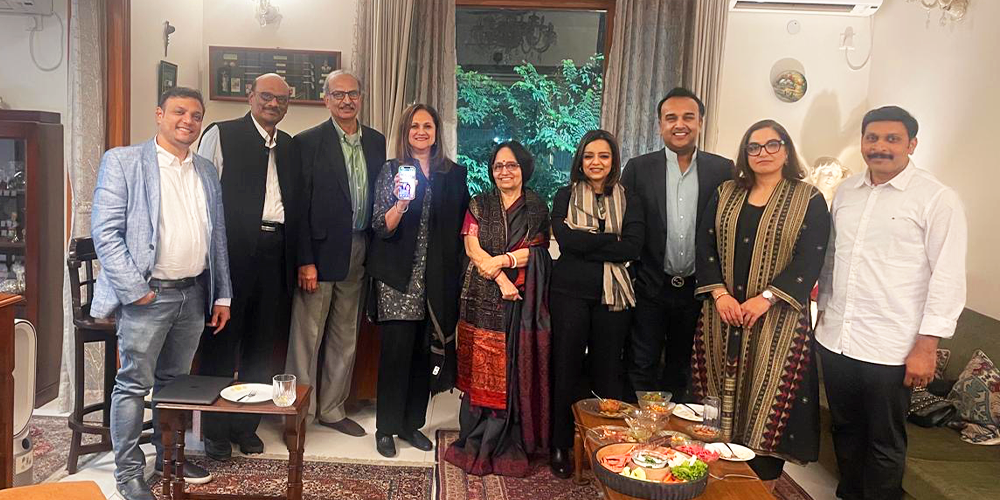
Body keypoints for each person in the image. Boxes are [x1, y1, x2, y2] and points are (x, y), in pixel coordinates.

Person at [816, 106, 967, 500]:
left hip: (892, 347)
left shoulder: (937, 199)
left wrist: (927, 344)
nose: (880, 147)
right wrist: (822, 314)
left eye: (892, 139)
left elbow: (948, 276)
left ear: (912, 144)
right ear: (863, 142)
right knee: (845, 430)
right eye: (872, 138)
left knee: (884, 441)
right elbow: (834, 260)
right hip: (837, 339)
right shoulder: (847, 192)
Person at [91, 87, 232, 500]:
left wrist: (221, 294)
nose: (188, 120)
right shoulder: (124, 161)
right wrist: (135, 292)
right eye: (179, 112)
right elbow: (106, 233)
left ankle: (169, 457)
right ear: (159, 114)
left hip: (193, 292)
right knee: (134, 384)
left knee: (176, 383)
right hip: (147, 296)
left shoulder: (205, 170)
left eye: (196, 115)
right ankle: (129, 473)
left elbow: (216, 236)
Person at [691, 119, 830, 486]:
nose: (763, 153)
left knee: (767, 398)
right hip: (721, 314)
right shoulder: (726, 192)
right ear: (744, 153)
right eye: (754, 147)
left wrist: (766, 299)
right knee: (714, 396)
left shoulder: (809, 199)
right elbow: (703, 246)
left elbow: (811, 257)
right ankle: (710, 476)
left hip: (777, 320)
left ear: (786, 149)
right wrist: (719, 294)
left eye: (772, 144)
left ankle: (759, 486)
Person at [195, 73, 299, 460]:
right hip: (231, 252)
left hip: (276, 253)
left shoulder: (289, 146)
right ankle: (215, 430)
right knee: (222, 341)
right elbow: (201, 195)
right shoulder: (221, 133)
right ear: (250, 95)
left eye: (282, 100)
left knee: (262, 343)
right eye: (267, 97)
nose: (274, 105)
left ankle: (246, 425)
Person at [285, 70, 386, 436]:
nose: (346, 101)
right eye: (338, 94)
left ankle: (331, 409)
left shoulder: (376, 141)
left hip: (360, 249)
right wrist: (304, 259)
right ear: (326, 99)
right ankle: (299, 413)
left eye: (353, 94)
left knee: (346, 335)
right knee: (306, 338)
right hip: (319, 253)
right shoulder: (307, 142)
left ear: (361, 98)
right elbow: (299, 207)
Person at [366, 104, 469, 457]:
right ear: (405, 132)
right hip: (398, 278)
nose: (421, 132)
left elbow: (461, 227)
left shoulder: (454, 174)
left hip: (437, 279)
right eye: (414, 126)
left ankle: (412, 425)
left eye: (427, 126)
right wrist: (400, 203)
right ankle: (385, 428)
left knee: (425, 355)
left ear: (437, 132)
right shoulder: (391, 170)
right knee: (395, 354)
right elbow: (381, 226)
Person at [444, 141, 552, 477]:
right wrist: (502, 279)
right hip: (482, 298)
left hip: (520, 303)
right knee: (482, 368)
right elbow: (471, 247)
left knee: (512, 367)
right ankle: (478, 434)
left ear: (524, 168)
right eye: (498, 166)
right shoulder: (480, 203)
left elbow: (535, 252)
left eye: (512, 165)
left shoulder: (536, 207)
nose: (504, 171)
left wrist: (502, 263)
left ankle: (510, 435)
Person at [621, 87, 733, 400]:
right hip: (650, 286)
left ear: (700, 122)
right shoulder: (638, 168)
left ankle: (673, 442)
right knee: (641, 363)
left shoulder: (722, 170)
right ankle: (639, 437)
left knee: (683, 368)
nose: (679, 124)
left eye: (688, 117)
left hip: (699, 290)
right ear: (660, 125)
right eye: (671, 118)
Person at [548, 130, 644, 478]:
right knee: (566, 369)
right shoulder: (564, 195)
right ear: (580, 160)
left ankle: (605, 446)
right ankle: (559, 444)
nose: (596, 162)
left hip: (613, 297)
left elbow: (632, 247)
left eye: (603, 156)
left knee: (607, 372)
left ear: (613, 161)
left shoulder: (630, 198)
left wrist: (587, 241)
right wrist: (608, 240)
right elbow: (566, 240)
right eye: (589, 156)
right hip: (569, 293)